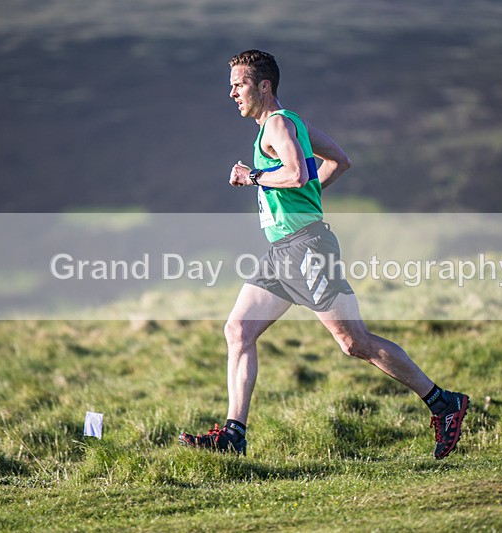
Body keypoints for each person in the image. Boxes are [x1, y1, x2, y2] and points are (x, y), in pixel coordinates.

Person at [179, 50, 468, 460]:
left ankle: (444, 403)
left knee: (354, 343)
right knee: (238, 331)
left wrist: (253, 177)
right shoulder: (292, 122)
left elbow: (298, 173)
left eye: (239, 85)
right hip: (283, 251)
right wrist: (305, 199)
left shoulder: (277, 125)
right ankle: (233, 435)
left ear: (264, 86)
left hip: (307, 248)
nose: (232, 93)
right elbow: (340, 161)